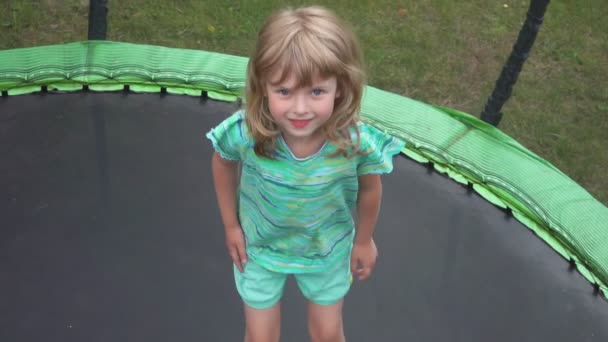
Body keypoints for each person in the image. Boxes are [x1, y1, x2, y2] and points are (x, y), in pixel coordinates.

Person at [206, 6, 404, 342]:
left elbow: (371, 189)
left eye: (316, 92)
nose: (300, 109)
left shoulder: (355, 142)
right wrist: (230, 225)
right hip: (259, 249)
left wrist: (364, 239)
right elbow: (222, 161)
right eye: (284, 91)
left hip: (326, 250)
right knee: (260, 338)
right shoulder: (247, 132)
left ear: (340, 87)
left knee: (327, 335)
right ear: (263, 86)